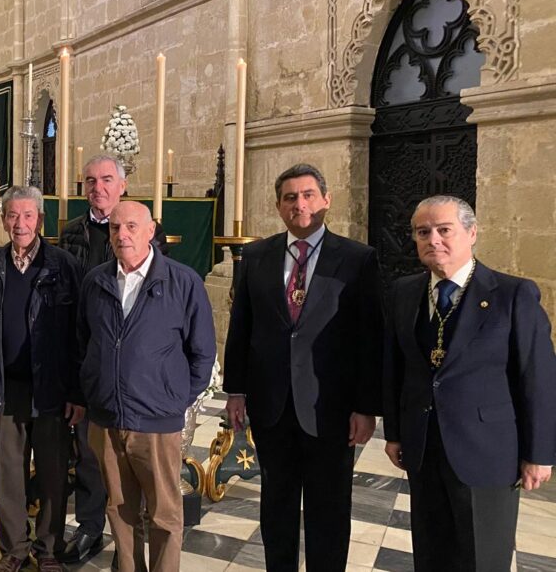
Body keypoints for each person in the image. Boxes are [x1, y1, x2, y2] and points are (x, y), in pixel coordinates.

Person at [223, 163, 383, 572]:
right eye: (290, 197)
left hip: (331, 408)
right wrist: (235, 390)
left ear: (326, 200)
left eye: (309, 194)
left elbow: (369, 338)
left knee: (328, 509)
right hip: (272, 403)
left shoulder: (357, 259)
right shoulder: (256, 255)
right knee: (276, 505)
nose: (300, 204)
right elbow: (242, 325)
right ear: (278, 206)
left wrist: (366, 407)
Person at [383, 195, 556, 571]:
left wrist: (539, 453)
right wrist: (395, 433)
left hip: (487, 452)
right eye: (422, 232)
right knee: (431, 554)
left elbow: (537, 377)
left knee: (482, 559)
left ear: (471, 233)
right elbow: (396, 368)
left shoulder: (513, 294)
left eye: (444, 230)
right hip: (424, 448)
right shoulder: (404, 292)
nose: (434, 240)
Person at [78, 201, 216, 572]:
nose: (122, 235)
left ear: (151, 230)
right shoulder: (96, 281)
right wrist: (95, 387)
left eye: (132, 227)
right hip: (107, 420)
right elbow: (84, 342)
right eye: (115, 228)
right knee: (119, 511)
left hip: (157, 423)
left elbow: (203, 353)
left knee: (164, 515)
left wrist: (173, 399)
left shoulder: (183, 281)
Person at [0, 186, 84, 572]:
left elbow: (77, 336)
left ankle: (48, 549)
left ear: (40, 220)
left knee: (53, 474)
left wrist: (76, 392)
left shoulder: (62, 265)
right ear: (3, 220)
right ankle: (14, 550)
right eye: (13, 216)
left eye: (28, 216)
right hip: (8, 388)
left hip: (51, 389)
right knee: (10, 477)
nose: (20, 224)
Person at [57, 155, 166, 567]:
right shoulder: (72, 233)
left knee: (137, 460)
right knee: (89, 452)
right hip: (92, 358)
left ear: (122, 185)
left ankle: (138, 536)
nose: (97, 188)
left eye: (106, 180)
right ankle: (89, 526)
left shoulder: (142, 224)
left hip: (139, 370)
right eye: (90, 181)